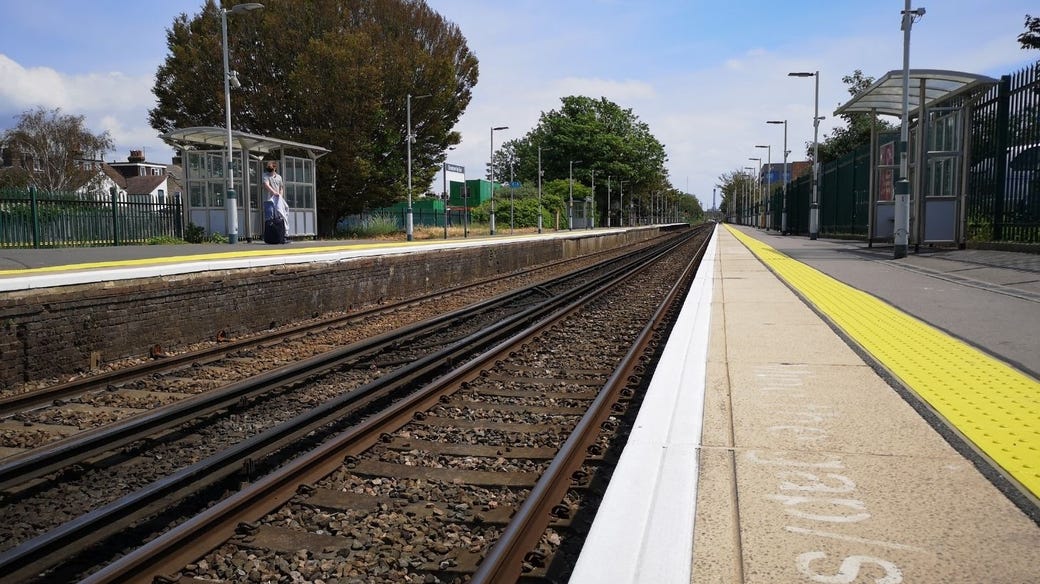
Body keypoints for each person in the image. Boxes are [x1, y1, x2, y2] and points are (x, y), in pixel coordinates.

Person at [262, 160, 290, 244]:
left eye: (270, 167)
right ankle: (270, 237)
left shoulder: (279, 177)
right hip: (269, 200)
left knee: (279, 217)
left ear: (275, 168)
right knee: (269, 218)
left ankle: (280, 236)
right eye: (268, 167)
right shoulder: (265, 175)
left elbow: (281, 187)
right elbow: (266, 185)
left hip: (278, 200)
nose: (269, 168)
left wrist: (280, 195)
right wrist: (273, 192)